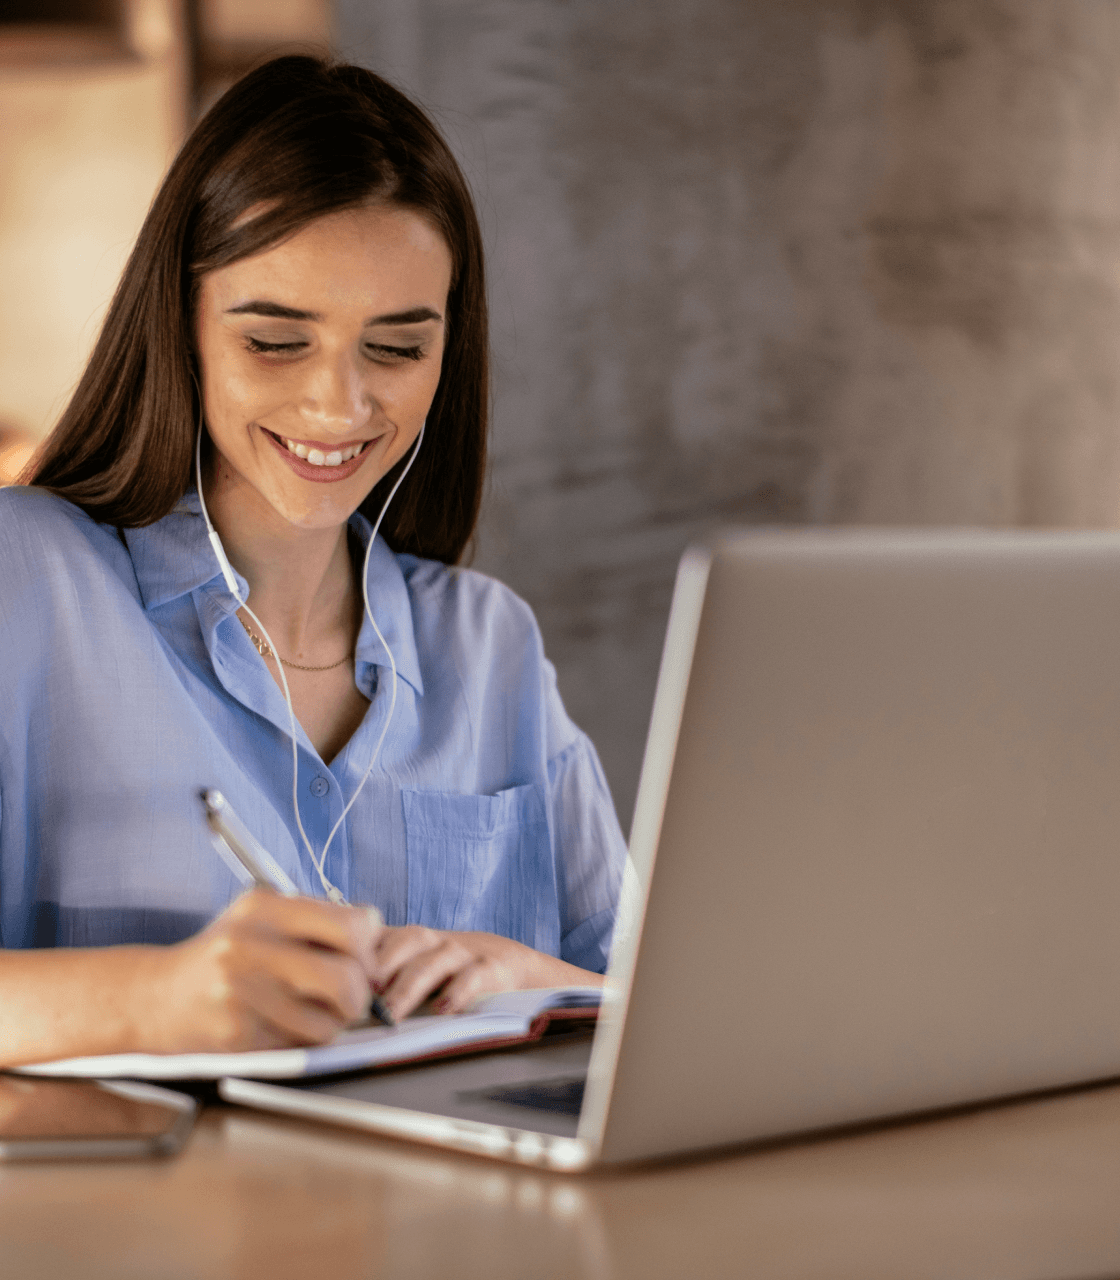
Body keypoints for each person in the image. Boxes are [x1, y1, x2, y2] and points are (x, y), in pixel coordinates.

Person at [0, 56, 626, 1067]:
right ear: (184, 327)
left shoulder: (488, 643)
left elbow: (662, 1000)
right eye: (277, 342)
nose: (340, 408)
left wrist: (530, 980)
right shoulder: (24, 579)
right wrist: (154, 996)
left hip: (466, 1224)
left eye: (395, 348)